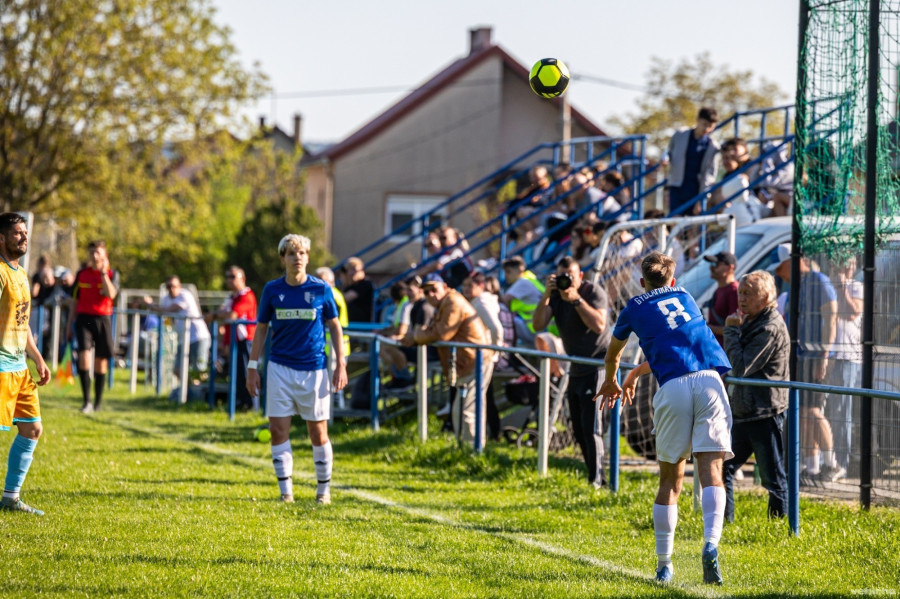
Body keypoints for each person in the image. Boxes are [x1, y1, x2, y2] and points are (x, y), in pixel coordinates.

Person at [598, 251, 732, 585]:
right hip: (710, 382)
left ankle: (664, 565)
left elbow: (613, 354)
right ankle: (711, 545)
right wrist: (639, 373)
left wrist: (613, 379)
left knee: (670, 481)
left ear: (642, 282)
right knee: (712, 472)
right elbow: (679, 342)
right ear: (672, 280)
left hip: (673, 387)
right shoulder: (685, 296)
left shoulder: (633, 307)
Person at [246, 234, 348, 504]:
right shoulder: (271, 290)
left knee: (318, 433)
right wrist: (252, 366)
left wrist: (340, 364)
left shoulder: (321, 289)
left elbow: (335, 326)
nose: (298, 258)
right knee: (278, 430)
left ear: (308, 258)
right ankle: (285, 493)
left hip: (314, 369)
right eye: (292, 253)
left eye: (302, 253)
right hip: (279, 368)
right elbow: (262, 329)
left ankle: (323, 492)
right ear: (283, 258)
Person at [532, 256, 612, 488]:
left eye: (570, 276)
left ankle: (598, 482)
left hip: (596, 366)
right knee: (577, 428)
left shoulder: (592, 292)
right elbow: (538, 325)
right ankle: (595, 478)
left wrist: (576, 300)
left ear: (580, 276)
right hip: (575, 368)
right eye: (561, 277)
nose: (566, 281)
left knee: (591, 427)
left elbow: (599, 325)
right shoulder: (555, 296)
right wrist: (546, 295)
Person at [722, 271, 789, 521]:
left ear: (766, 296)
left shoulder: (769, 327)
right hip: (744, 410)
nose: (742, 298)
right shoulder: (750, 319)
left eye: (748, 293)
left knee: (773, 478)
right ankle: (723, 524)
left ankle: (780, 529)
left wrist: (730, 332)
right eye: (740, 292)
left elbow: (740, 367)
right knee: (723, 466)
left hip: (764, 412)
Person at [773, 243, 843, 482]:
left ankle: (832, 464)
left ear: (792, 261)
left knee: (813, 410)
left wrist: (823, 356)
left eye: (780, 267)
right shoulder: (795, 286)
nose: (778, 273)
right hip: (801, 357)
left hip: (817, 358)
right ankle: (813, 468)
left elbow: (830, 319)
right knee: (802, 411)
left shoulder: (819, 281)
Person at [0, 213, 51, 515]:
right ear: (2, 239)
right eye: (16, 233)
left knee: (32, 428)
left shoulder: (21, 274)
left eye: (25, 232)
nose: (23, 237)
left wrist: (38, 358)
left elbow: (23, 323)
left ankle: (10, 497)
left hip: (20, 368)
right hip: (1, 367)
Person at [405, 274, 492, 444]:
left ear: (444, 287)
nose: (430, 294)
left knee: (468, 411)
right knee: (460, 409)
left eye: (434, 289)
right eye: (426, 291)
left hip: (475, 361)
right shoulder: (446, 302)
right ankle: (465, 449)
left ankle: (473, 451)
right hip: (466, 362)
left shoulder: (453, 302)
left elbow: (442, 334)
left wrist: (416, 336)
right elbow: (437, 331)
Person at [67, 240, 120, 413]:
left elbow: (111, 294)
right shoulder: (82, 274)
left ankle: (97, 402)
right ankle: (86, 401)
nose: (94, 256)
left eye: (98, 252)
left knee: (101, 361)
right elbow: (75, 301)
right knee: (83, 356)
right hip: (84, 319)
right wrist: (69, 324)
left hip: (103, 318)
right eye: (91, 252)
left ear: (105, 255)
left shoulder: (113, 274)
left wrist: (104, 274)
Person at [826, 256, 862, 474]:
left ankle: (842, 461)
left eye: (846, 265)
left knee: (841, 410)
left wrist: (842, 288)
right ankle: (824, 459)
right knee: (824, 409)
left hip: (846, 356)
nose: (842, 269)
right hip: (826, 354)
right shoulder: (825, 286)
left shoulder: (857, 287)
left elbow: (852, 313)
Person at [207, 266, 257, 411]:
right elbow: (225, 313)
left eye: (233, 276)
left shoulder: (246, 295)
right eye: (227, 276)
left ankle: (250, 405)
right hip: (234, 342)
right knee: (236, 374)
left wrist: (215, 316)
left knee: (246, 374)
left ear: (243, 278)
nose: (229, 279)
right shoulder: (232, 297)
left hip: (245, 341)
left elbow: (233, 315)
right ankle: (242, 403)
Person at [462, 271, 503, 440]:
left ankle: (481, 440)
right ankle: (491, 435)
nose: (465, 289)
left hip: (483, 357)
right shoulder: (479, 301)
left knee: (477, 400)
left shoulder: (481, 302)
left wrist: (495, 352)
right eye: (463, 286)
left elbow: (496, 329)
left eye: (469, 285)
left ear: (480, 286)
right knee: (485, 398)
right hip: (481, 356)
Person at [665, 106, 721, 216]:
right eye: (704, 124)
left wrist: (702, 198)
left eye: (710, 127)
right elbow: (669, 151)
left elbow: (710, 174)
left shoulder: (713, 147)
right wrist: (665, 159)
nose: (706, 129)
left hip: (696, 189)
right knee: (674, 219)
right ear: (698, 120)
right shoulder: (681, 135)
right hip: (677, 186)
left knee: (693, 224)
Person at [153, 276, 212, 378]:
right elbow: (164, 313)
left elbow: (168, 310)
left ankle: (198, 392)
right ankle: (189, 390)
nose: (171, 289)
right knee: (177, 370)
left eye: (174, 286)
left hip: (198, 337)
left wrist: (150, 304)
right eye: (169, 286)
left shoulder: (185, 295)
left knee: (200, 370)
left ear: (179, 286)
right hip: (183, 339)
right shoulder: (166, 299)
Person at [500, 256, 544, 346]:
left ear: (519, 270)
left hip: (537, 330)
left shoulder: (522, 282)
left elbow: (503, 300)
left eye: (508, 272)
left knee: (507, 318)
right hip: (542, 327)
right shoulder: (530, 279)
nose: (505, 276)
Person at [704, 251, 739, 347]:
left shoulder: (734, 291)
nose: (711, 267)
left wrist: (706, 327)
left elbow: (734, 329)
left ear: (730, 268)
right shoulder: (720, 290)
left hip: (726, 354)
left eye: (716, 264)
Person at [341, 257, 374, 323]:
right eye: (350, 270)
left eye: (355, 270)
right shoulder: (349, 287)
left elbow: (345, 298)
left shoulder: (365, 284)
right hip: (349, 323)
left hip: (362, 324)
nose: (352, 273)